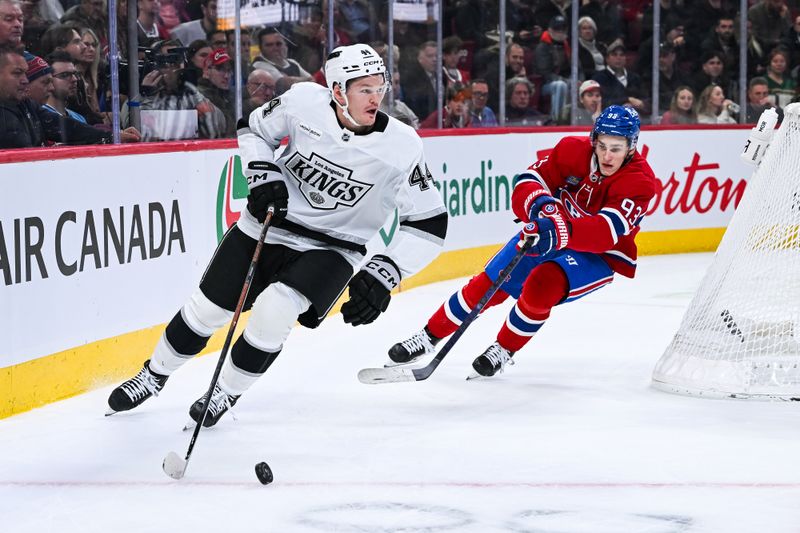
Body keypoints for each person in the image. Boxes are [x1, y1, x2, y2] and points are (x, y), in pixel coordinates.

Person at [106, 44, 448, 426]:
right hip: (266, 225)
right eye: (364, 89)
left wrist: (384, 273)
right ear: (337, 91)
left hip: (334, 248)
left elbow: (429, 222)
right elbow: (254, 127)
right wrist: (262, 172)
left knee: (275, 309)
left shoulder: (402, 147)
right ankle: (153, 374)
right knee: (208, 310)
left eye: (379, 87)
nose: (376, 97)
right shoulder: (303, 102)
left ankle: (225, 392)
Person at [386, 105, 657, 378]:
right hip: (548, 231)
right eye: (602, 146)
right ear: (593, 140)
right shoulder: (571, 151)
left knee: (542, 285)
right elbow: (530, 179)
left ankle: (504, 349)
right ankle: (428, 336)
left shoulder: (640, 182)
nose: (607, 156)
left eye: (616, 148)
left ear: (631, 147)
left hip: (597, 255)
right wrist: (539, 204)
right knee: (490, 283)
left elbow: (604, 231)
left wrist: (557, 229)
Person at [0, 45, 138, 147]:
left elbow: (62, 126)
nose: (25, 80)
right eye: (17, 73)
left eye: (25, 73)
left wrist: (112, 136)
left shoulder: (25, 104)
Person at [121, 39, 225, 140]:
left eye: (177, 60)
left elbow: (219, 124)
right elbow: (138, 132)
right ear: (154, 67)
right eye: (167, 61)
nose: (173, 68)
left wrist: (194, 94)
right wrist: (148, 96)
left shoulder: (191, 97)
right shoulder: (135, 99)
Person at [251, 27, 313, 93]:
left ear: (285, 45)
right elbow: (284, 83)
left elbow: (313, 81)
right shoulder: (259, 65)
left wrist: (294, 80)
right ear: (260, 48)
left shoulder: (293, 62)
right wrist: (306, 80)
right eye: (269, 45)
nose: (275, 48)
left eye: (278, 44)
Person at [197, 47, 234, 137]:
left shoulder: (229, 97)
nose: (226, 75)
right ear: (206, 71)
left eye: (229, 70)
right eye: (220, 69)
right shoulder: (200, 97)